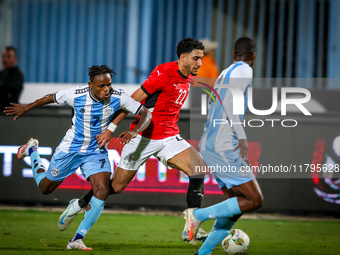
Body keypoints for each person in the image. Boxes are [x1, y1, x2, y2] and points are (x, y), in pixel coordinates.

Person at [58, 37, 210, 243]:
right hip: (142, 138)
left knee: (198, 167)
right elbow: (133, 100)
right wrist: (111, 128)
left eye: (201, 58)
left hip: (169, 137)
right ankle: (78, 204)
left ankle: (191, 228)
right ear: (183, 58)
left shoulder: (188, 76)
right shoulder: (164, 72)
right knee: (117, 187)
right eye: (196, 58)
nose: (200, 63)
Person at [4, 65, 152, 250]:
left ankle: (77, 239)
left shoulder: (118, 96)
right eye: (101, 86)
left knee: (102, 190)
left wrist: (136, 131)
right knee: (45, 188)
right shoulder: (76, 94)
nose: (106, 89)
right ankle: (32, 150)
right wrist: (27, 107)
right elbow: (51, 97)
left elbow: (146, 113)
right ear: (90, 84)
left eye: (109, 84)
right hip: (70, 149)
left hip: (95, 151)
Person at [183, 37, 264, 254]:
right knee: (255, 200)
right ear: (253, 56)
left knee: (235, 206)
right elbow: (229, 102)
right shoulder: (245, 70)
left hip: (210, 141)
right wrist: (241, 135)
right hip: (223, 143)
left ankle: (203, 251)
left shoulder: (224, 72)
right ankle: (197, 215)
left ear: (232, 54)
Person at [0, 46, 24, 111]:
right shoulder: (2, 73)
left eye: (8, 57)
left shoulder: (17, 76)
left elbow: (7, 93)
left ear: (15, 59)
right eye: (3, 57)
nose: (5, 60)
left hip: (9, 112)